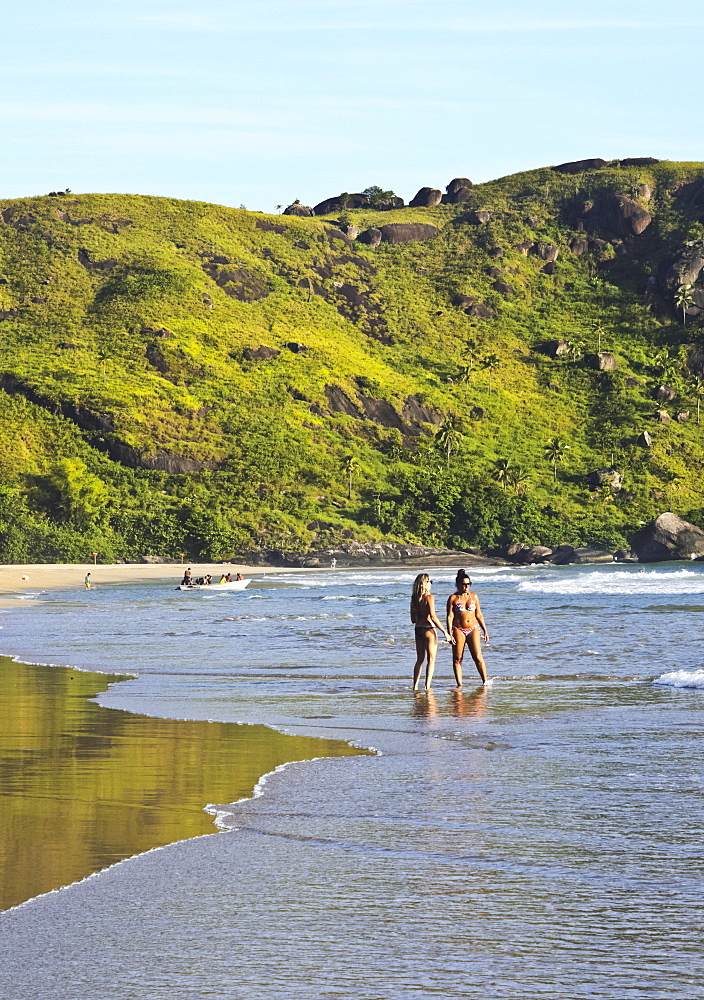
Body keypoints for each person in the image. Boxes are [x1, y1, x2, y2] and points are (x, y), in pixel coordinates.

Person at [446, 569, 489, 687]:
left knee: (478, 657)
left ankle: (485, 681)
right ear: (458, 584)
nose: (466, 587)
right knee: (457, 658)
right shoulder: (453, 598)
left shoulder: (474, 597)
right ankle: (459, 684)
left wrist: (485, 630)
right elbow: (450, 616)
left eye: (468, 584)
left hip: (473, 629)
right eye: (464, 584)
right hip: (458, 629)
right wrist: (449, 633)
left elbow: (479, 614)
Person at [410, 573, 453, 691]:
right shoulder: (429, 598)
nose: (431, 584)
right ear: (425, 584)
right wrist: (445, 632)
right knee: (431, 659)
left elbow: (413, 620)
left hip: (418, 629)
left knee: (419, 659)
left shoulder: (414, 598)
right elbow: (433, 616)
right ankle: (427, 686)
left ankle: (415, 686)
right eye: (430, 581)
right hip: (429, 629)